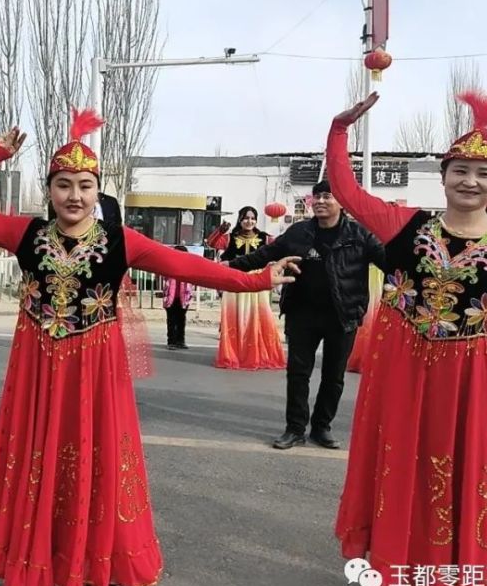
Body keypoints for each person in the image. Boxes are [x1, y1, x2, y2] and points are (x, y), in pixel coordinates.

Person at [0, 111, 299, 586]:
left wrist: (257, 280)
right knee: (42, 464)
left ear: (99, 190)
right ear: (48, 189)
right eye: (63, 185)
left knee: (97, 466)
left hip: (96, 374)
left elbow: (191, 267)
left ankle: (96, 579)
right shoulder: (27, 236)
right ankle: (49, 575)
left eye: (85, 185)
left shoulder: (120, 241)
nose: (74, 195)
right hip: (39, 375)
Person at [330, 90, 487, 586]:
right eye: (460, 170)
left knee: (461, 484)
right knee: (401, 477)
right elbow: (348, 192)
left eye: (484, 173)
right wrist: (339, 132)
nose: (470, 181)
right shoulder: (406, 225)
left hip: (470, 388)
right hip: (402, 380)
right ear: (444, 175)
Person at [225, 181, 384, 450]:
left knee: (334, 376)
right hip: (302, 313)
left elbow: (389, 262)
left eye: (327, 196)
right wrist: (226, 268)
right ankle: (295, 428)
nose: (320, 201)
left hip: (342, 316)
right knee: (298, 374)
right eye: (316, 196)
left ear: (342, 201)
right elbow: (264, 255)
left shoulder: (360, 235)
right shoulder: (298, 232)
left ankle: (322, 428)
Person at [206, 206, 286, 370]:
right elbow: (211, 243)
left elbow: (281, 248)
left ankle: (258, 354)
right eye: (246, 218)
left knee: (257, 316)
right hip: (234, 280)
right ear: (240, 220)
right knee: (235, 316)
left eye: (252, 218)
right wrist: (220, 231)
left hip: (257, 281)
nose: (249, 221)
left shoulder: (265, 238)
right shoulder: (229, 238)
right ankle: (234, 355)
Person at [162, 244, 193, 349]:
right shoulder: (168, 265)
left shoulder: (189, 266)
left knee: (181, 320)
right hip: (170, 298)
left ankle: (180, 341)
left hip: (184, 298)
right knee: (171, 320)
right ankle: (171, 341)